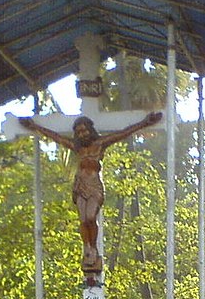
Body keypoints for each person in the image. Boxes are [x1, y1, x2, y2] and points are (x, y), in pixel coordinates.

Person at [18, 111, 162, 283]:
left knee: (90, 217)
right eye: (78, 132)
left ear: (90, 130)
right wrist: (34, 127)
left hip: (94, 186)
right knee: (82, 220)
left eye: (84, 130)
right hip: (80, 186)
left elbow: (124, 132)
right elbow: (55, 137)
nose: (82, 134)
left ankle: (93, 246)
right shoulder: (77, 148)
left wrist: (145, 123)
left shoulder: (100, 144)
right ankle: (87, 247)